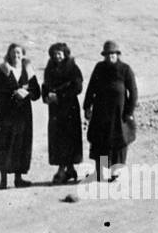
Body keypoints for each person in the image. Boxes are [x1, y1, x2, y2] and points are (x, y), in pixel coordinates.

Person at [83, 40, 137, 183]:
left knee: (119, 141)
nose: (110, 57)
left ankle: (115, 172)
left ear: (117, 55)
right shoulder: (99, 68)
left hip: (119, 114)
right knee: (99, 140)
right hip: (100, 111)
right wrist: (87, 106)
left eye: (112, 54)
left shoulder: (125, 69)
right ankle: (99, 172)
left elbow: (133, 92)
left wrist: (129, 112)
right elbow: (91, 87)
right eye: (107, 54)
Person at [0, 43, 40, 189]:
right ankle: (3, 180)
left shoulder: (28, 70)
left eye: (19, 53)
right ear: (8, 54)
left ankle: (19, 179)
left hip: (23, 113)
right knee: (3, 143)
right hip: (5, 112)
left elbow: (36, 92)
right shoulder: (2, 70)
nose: (16, 56)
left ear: (23, 55)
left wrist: (27, 93)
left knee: (21, 143)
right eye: (13, 53)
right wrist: (12, 93)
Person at [42, 42, 84, 184]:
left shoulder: (73, 67)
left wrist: (59, 95)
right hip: (55, 109)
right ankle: (66, 169)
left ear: (65, 54)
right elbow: (45, 85)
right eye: (54, 54)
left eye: (59, 53)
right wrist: (46, 97)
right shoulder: (49, 68)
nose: (57, 56)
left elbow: (78, 87)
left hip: (70, 108)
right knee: (57, 138)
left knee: (70, 137)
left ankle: (65, 170)